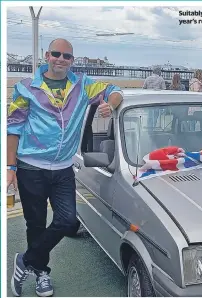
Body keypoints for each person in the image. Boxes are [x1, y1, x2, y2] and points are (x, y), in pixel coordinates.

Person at [6, 38, 123, 297]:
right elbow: (13, 128)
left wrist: (110, 104)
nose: (60, 59)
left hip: (62, 169)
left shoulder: (82, 85)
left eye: (66, 56)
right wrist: (10, 166)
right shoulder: (26, 88)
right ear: (47, 55)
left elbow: (115, 90)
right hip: (31, 167)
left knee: (67, 220)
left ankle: (25, 261)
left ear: (72, 60)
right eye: (56, 54)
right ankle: (42, 273)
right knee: (34, 224)